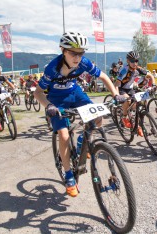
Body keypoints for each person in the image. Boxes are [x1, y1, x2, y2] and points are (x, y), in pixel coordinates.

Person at [34, 31, 122, 197]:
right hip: (57, 100)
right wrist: (49, 106)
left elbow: (103, 76)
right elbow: (38, 93)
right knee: (64, 135)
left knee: (98, 115)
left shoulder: (83, 63)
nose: (77, 57)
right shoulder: (52, 68)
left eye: (81, 53)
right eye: (73, 53)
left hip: (75, 93)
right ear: (63, 50)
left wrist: (115, 95)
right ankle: (68, 175)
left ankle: (83, 141)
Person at [115, 51, 156, 137]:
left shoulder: (138, 69)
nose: (135, 63)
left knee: (140, 102)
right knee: (128, 100)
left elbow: (150, 75)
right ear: (128, 61)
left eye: (136, 61)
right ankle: (124, 117)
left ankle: (137, 122)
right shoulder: (124, 70)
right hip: (122, 89)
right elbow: (117, 83)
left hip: (130, 89)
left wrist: (154, 85)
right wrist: (116, 95)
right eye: (132, 61)